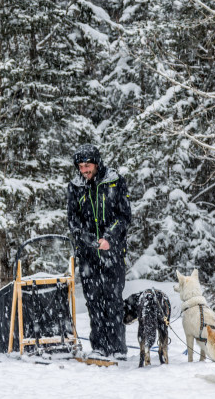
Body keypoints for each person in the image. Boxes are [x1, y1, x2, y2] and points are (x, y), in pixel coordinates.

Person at [66, 144, 131, 360]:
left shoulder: (115, 181)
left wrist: (109, 238)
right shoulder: (75, 186)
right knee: (93, 300)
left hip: (112, 252)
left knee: (112, 298)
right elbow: (73, 221)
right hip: (87, 254)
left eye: (87, 165)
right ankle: (99, 347)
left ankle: (117, 348)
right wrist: (87, 240)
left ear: (97, 163)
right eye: (81, 166)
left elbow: (124, 217)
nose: (84, 170)